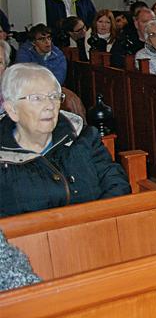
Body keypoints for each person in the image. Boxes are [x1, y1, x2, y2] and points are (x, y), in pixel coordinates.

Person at [0, 63, 130, 217]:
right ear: (12, 109)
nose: (49, 106)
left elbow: (116, 182)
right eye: (36, 98)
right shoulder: (4, 159)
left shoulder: (83, 137)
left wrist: (97, 220)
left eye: (54, 96)